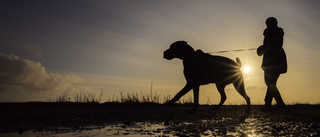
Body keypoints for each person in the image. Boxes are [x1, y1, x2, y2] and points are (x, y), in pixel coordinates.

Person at [257, 17, 287, 110]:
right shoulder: (266, 33)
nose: (268, 25)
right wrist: (262, 49)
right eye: (267, 23)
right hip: (268, 61)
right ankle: (275, 104)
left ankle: (272, 103)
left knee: (270, 83)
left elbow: (277, 44)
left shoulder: (279, 31)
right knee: (269, 82)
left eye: (269, 23)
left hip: (277, 60)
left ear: (274, 23)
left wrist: (264, 48)